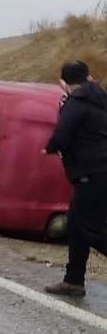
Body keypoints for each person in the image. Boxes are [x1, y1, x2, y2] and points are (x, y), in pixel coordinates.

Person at [44, 61, 107, 296]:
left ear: (65, 82)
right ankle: (73, 280)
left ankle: (73, 280)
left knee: (92, 229)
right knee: (77, 226)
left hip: (90, 173)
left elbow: (62, 134)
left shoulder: (76, 102)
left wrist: (48, 148)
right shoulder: (100, 98)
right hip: (97, 172)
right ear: (88, 76)